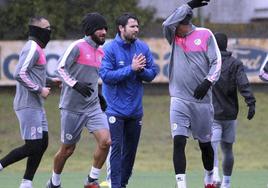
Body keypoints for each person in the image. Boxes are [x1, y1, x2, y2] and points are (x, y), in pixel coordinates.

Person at [46, 12, 111, 188]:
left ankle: (91, 180)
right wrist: (74, 84)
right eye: (100, 28)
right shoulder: (77, 46)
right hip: (71, 108)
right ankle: (54, 182)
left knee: (106, 141)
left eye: (105, 28)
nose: (104, 32)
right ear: (90, 30)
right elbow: (60, 68)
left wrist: (98, 95)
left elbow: (91, 78)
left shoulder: (101, 52)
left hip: (92, 107)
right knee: (68, 150)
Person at [162, 0, 222, 187]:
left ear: (184, 22)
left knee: (205, 145)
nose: (173, 27)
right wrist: (189, 4)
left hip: (202, 102)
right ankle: (181, 184)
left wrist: (208, 81)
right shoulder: (173, 36)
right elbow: (166, 24)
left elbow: (216, 61)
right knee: (179, 141)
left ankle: (209, 176)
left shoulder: (205, 34)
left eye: (176, 23)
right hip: (179, 99)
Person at [99, 12, 159, 188]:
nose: (136, 30)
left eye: (137, 26)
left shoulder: (142, 48)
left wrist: (141, 71)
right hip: (114, 110)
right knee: (116, 149)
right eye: (132, 26)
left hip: (135, 110)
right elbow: (106, 76)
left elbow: (152, 73)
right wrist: (131, 69)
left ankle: (123, 184)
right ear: (121, 28)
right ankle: (115, 185)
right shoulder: (109, 49)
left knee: (130, 153)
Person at [0, 16, 55, 188]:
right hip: (27, 104)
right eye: (47, 28)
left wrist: (52, 81)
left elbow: (35, 76)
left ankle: (26, 182)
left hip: (36, 105)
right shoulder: (32, 47)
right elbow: (19, 73)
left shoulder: (38, 48)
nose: (49, 31)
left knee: (43, 142)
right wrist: (40, 90)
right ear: (38, 30)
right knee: (33, 146)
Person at [211, 32, 256, 188]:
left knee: (212, 144)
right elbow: (243, 84)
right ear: (226, 44)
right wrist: (251, 103)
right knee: (227, 148)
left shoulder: (209, 62)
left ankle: (214, 172)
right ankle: (227, 183)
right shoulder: (235, 63)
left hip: (213, 113)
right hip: (230, 114)